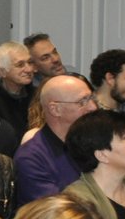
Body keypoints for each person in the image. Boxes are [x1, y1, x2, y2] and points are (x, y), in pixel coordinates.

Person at [14, 74, 98, 205]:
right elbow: (57, 214)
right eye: (82, 101)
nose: (93, 107)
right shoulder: (32, 158)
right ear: (55, 109)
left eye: (92, 98)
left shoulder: (96, 142)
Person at [0, 40, 37, 138]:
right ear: (2, 71)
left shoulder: (39, 95)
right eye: (20, 65)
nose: (29, 69)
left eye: (30, 62)